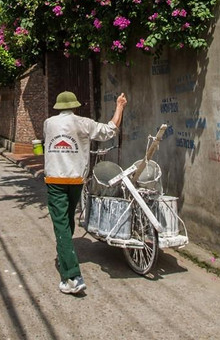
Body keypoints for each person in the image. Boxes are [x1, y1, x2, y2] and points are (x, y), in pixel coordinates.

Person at [43, 90, 127, 295]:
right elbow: (110, 130)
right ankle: (66, 254)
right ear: (74, 106)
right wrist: (120, 106)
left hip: (54, 180)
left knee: (61, 223)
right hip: (76, 180)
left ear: (58, 107)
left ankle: (71, 276)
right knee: (67, 219)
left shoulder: (48, 123)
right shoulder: (83, 122)